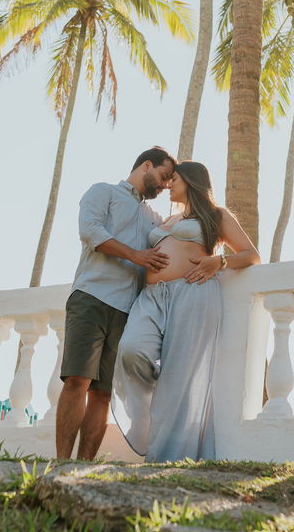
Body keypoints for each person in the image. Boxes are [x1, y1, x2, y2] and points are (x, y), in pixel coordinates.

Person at [113, 161, 260, 463]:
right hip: (152, 297)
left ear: (191, 182)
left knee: (179, 379)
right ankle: (160, 401)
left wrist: (219, 262)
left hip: (192, 294)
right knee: (131, 350)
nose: (168, 184)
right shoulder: (169, 218)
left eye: (174, 179)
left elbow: (251, 255)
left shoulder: (216, 216)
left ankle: (166, 461)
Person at [55, 146, 177, 460]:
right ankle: (60, 464)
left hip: (128, 312)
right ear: (146, 165)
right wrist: (136, 255)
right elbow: (90, 230)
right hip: (91, 297)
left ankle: (82, 468)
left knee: (104, 394)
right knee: (77, 381)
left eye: (168, 183)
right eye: (162, 178)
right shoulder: (103, 192)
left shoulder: (156, 218)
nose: (164, 187)